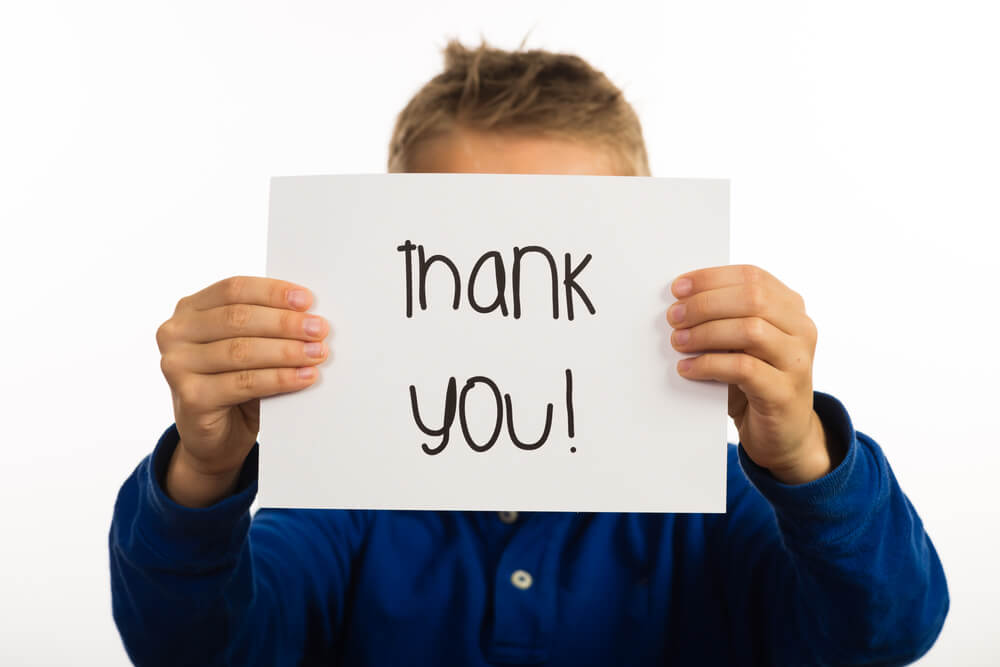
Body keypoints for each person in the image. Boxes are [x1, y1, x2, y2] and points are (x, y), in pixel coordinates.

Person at [109, 39, 948, 666]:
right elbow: (197, 649)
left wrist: (802, 451)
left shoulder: (714, 499)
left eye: (561, 247)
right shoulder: (347, 495)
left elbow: (885, 630)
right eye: (462, 246)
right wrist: (203, 470)